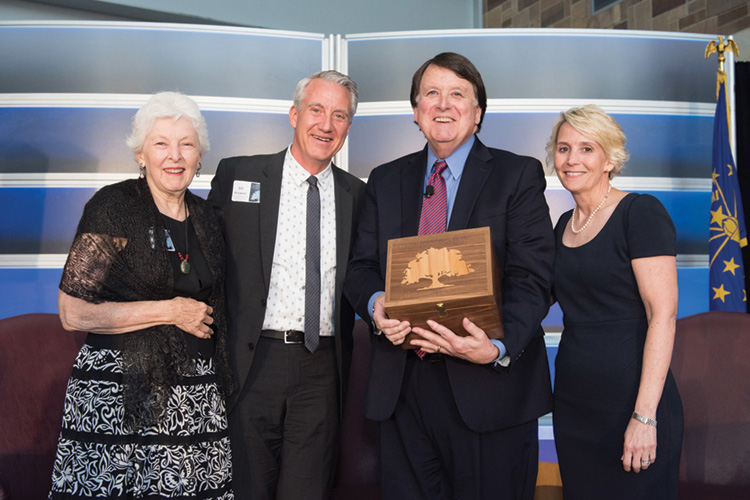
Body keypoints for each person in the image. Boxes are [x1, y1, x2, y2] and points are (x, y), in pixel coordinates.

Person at [344, 52, 555, 500]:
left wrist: (495, 347)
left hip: (487, 388)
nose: (444, 104)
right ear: (416, 112)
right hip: (402, 389)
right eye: (432, 94)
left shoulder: (517, 175)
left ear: (477, 113)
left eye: (458, 94)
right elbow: (360, 269)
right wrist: (375, 304)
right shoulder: (384, 180)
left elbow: (534, 278)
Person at [49, 92, 234, 498]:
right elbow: (72, 312)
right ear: (141, 155)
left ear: (199, 157)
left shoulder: (208, 219)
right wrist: (170, 311)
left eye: (187, 144)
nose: (175, 155)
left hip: (197, 405)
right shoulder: (114, 207)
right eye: (161, 143)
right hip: (118, 396)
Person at [207, 70, 365, 500]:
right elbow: (203, 257)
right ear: (294, 114)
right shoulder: (238, 176)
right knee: (247, 489)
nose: (326, 125)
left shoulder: (359, 195)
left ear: (349, 127)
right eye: (316, 110)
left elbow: (367, 273)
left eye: (340, 115)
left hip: (322, 368)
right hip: (252, 361)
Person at [546, 104, 683, 498]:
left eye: (587, 149)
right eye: (563, 148)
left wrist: (644, 416)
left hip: (633, 405)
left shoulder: (640, 212)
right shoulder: (561, 226)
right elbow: (533, 299)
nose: (572, 160)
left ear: (610, 159)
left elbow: (664, 315)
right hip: (574, 407)